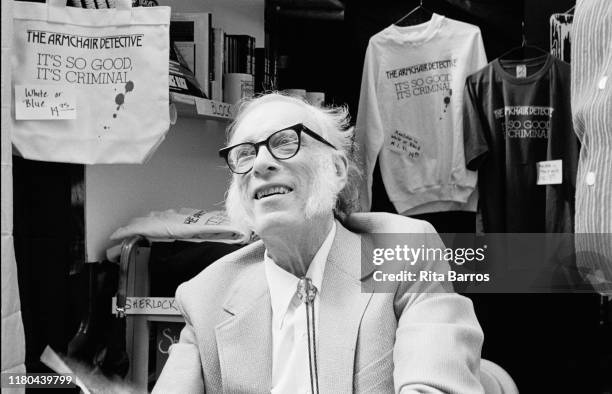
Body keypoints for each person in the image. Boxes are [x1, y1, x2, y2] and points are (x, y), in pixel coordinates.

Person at [153, 92, 484, 393]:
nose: (260, 163)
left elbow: (437, 386)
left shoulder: (405, 252)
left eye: (285, 142)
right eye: (244, 154)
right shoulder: (206, 296)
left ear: (337, 169)